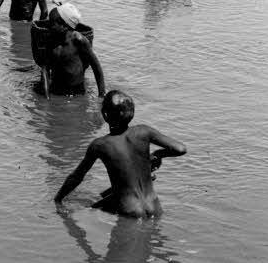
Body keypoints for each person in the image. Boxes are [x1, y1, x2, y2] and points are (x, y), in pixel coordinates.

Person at [54, 90, 186, 217]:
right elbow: (180, 149)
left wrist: (58, 199)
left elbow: (76, 177)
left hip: (130, 210)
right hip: (155, 208)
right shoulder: (144, 131)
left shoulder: (100, 145)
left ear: (105, 114)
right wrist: (159, 154)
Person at [32, 3, 106, 97]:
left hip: (76, 92)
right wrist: (46, 97)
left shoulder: (78, 40)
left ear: (64, 26)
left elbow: (96, 67)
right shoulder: (50, 41)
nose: (49, 25)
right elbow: (45, 70)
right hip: (56, 90)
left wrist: (102, 94)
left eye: (53, 23)